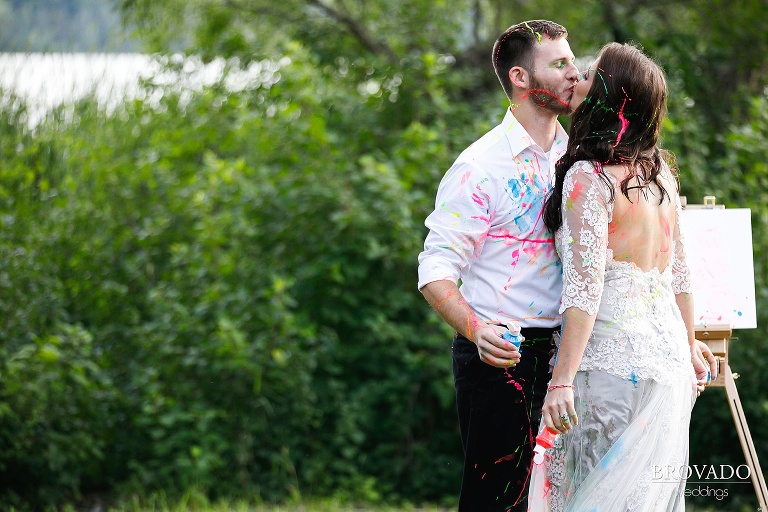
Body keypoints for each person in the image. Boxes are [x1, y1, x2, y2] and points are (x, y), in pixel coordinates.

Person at [527, 42, 718, 511]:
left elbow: (585, 289)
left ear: (611, 99)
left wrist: (562, 380)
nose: (578, 79)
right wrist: (689, 340)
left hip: (609, 368)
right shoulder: (660, 178)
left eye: (590, 76)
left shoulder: (588, 179)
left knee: (593, 499)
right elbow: (680, 274)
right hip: (667, 365)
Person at [418, 20, 579, 511]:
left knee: (562, 500)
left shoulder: (579, 158)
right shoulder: (479, 166)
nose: (576, 73)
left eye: (573, 61)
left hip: (570, 355)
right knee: (496, 503)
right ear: (520, 79)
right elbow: (435, 269)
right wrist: (475, 328)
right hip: (501, 355)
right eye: (560, 64)